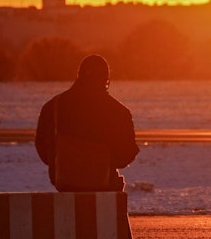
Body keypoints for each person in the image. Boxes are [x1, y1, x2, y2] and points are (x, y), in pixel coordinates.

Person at [35, 54, 140, 193]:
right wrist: (102, 163)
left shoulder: (53, 106)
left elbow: (42, 146)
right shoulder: (119, 112)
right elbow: (127, 153)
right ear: (106, 78)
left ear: (79, 75)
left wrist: (65, 164)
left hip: (65, 186)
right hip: (106, 188)